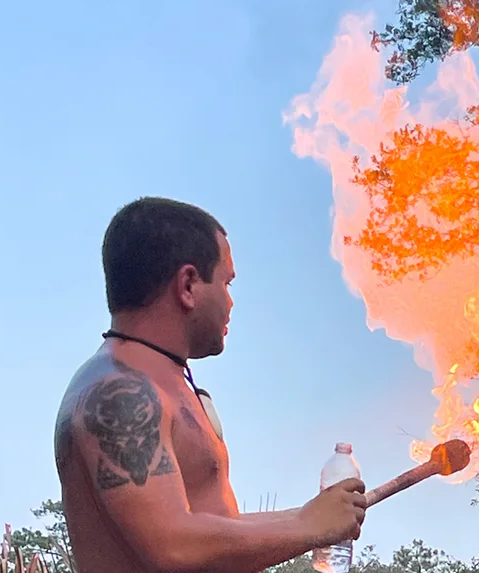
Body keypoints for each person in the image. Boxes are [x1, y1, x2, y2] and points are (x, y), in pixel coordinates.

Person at [53, 197, 367, 573]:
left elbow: (215, 527)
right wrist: (306, 528)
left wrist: (315, 516)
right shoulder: (121, 392)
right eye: (226, 281)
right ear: (188, 285)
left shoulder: (162, 381)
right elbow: (174, 546)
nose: (231, 301)